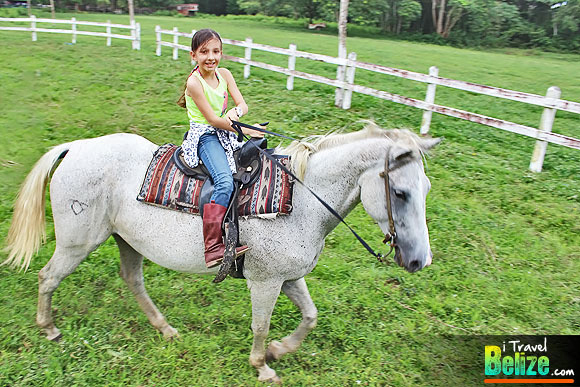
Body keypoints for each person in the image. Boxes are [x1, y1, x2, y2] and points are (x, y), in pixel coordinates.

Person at [177, 28, 264, 269]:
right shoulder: (194, 83)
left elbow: (242, 104)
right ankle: (213, 247)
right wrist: (246, 129)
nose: (210, 57)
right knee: (225, 181)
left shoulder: (224, 74)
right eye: (204, 52)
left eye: (215, 51)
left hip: (226, 130)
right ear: (193, 55)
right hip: (205, 136)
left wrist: (238, 113)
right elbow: (213, 121)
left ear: (221, 53)